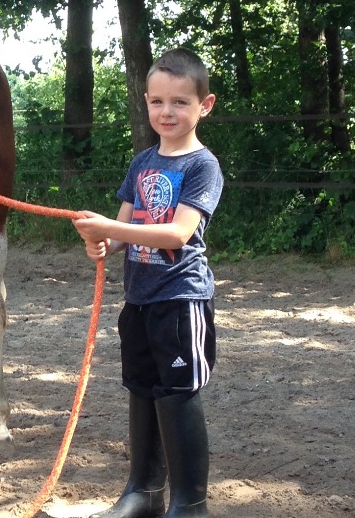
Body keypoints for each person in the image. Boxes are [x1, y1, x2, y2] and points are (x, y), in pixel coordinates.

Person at [73, 48, 224, 518]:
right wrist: (100, 243)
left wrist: (109, 229)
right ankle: (144, 491)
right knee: (141, 388)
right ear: (146, 103)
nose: (167, 111)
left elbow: (177, 233)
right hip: (138, 299)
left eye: (180, 102)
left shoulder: (202, 166)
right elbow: (123, 229)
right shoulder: (141, 163)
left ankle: (189, 503)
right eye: (157, 102)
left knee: (178, 393)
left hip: (181, 301)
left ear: (205, 105)